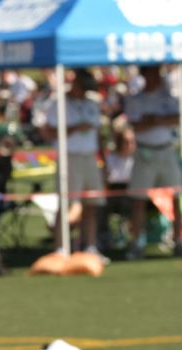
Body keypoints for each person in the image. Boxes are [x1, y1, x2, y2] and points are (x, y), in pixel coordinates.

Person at [124, 64, 182, 259]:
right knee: (138, 199)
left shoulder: (168, 96)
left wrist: (155, 120)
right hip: (145, 153)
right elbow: (137, 125)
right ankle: (137, 243)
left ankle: (178, 240)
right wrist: (156, 121)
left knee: (176, 196)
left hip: (166, 150)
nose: (157, 78)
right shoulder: (136, 99)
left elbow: (176, 118)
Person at [43, 68, 105, 256]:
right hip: (70, 156)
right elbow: (48, 132)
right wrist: (76, 128)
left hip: (90, 157)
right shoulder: (58, 104)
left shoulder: (92, 104)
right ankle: (61, 247)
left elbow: (98, 134)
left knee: (91, 204)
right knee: (68, 204)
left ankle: (90, 246)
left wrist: (104, 160)